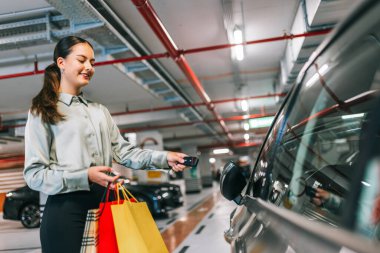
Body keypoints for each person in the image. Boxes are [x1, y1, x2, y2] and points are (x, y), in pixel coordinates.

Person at [23, 36, 188, 253]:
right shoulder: (42, 111)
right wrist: (85, 175)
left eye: (92, 62)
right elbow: (34, 174)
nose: (89, 67)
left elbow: (124, 151)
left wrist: (163, 158)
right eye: (82, 60)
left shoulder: (100, 111)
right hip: (65, 213)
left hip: (104, 205)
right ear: (61, 63)